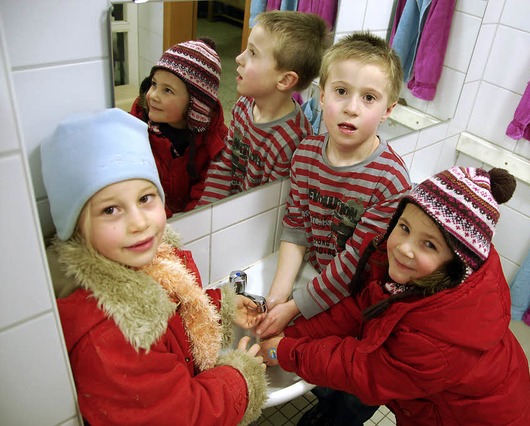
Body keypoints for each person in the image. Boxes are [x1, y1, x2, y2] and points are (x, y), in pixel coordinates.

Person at [258, 166, 530, 425]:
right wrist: (292, 334)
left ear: (457, 262)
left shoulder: (437, 336)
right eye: (404, 228)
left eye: (428, 244)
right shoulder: (410, 277)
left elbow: (365, 371)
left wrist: (283, 351)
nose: (404, 248)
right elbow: (359, 309)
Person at [40, 108, 267, 425]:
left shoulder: (146, 262)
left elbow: (171, 321)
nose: (138, 222)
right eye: (110, 209)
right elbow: (182, 416)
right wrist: (241, 378)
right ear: (75, 226)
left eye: (146, 198)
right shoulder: (112, 333)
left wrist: (221, 305)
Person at [255, 31, 412, 424]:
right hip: (325, 283)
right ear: (320, 95)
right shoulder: (306, 154)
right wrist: (277, 296)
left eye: (369, 98)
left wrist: (293, 307)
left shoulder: (389, 179)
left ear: (388, 110)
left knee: (352, 385)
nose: (352, 109)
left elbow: (353, 266)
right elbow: (296, 228)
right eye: (341, 91)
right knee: (322, 373)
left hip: (364, 297)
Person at [198, 11, 328, 202]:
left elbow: (270, 208)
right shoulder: (244, 105)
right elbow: (226, 165)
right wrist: (206, 208)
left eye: (252, 53)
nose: (239, 58)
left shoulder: (293, 141)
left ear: (285, 80)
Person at [131, 37, 227, 217]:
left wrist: (185, 223)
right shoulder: (136, 126)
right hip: (151, 217)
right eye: (154, 84)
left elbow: (205, 194)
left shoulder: (214, 141)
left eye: (167, 90)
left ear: (195, 105)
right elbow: (138, 185)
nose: (153, 96)